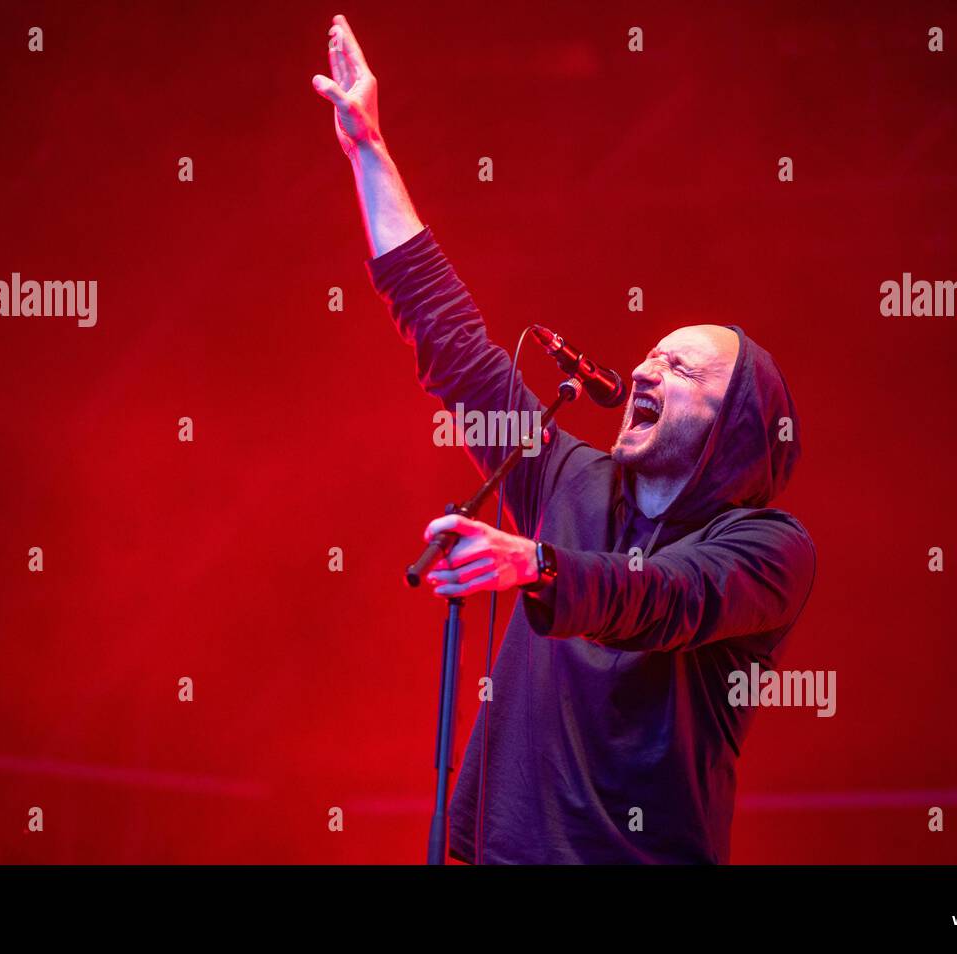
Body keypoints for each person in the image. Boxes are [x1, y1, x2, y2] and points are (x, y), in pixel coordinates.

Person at [312, 14, 816, 863]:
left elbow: (664, 601)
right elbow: (455, 347)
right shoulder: (569, 481)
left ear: (732, 431)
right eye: (651, 355)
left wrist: (535, 566)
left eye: (684, 370)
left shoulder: (768, 548)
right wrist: (370, 153)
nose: (649, 369)